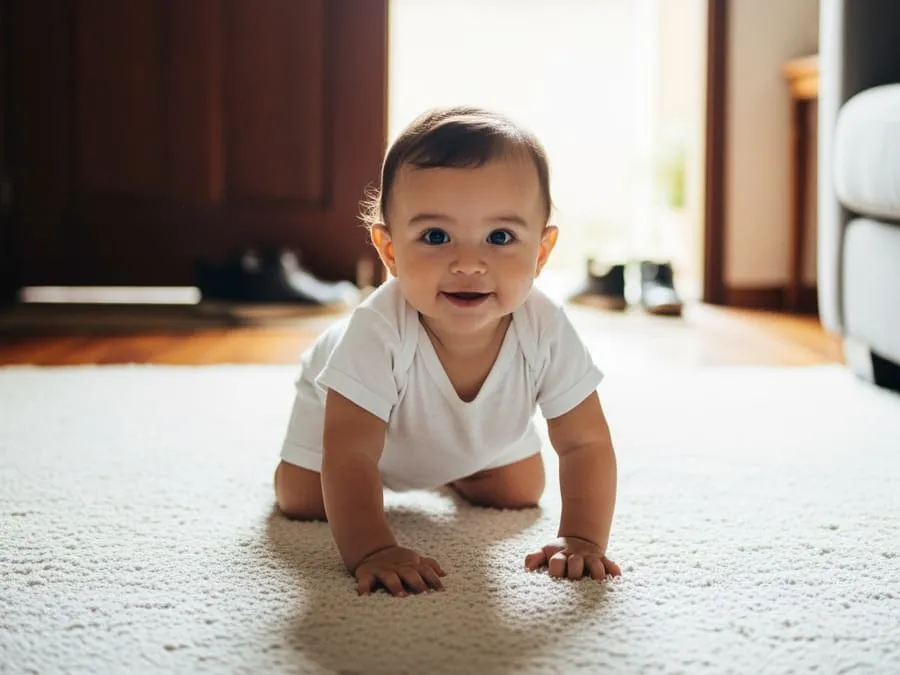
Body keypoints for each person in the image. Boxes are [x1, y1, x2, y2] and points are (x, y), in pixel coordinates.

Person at [274, 106, 621, 596]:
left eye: (500, 237)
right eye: (436, 237)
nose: (468, 263)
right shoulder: (376, 330)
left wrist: (582, 538)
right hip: (348, 430)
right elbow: (349, 452)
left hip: (463, 437)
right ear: (390, 251)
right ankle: (417, 472)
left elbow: (586, 443)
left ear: (541, 253)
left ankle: (450, 470)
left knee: (521, 490)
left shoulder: (545, 326)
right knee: (303, 498)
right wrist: (372, 549)